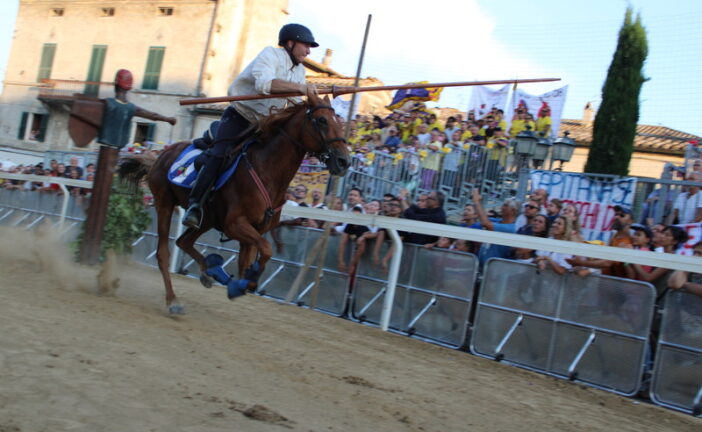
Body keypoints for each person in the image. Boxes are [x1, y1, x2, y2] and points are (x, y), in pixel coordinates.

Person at [182, 23, 321, 228]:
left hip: (266, 124)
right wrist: (302, 88)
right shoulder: (270, 55)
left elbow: (295, 105)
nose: (308, 51)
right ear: (290, 43)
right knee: (221, 153)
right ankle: (195, 205)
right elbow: (264, 84)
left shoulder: (299, 71)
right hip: (240, 116)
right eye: (306, 45)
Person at [471, 189, 519, 268]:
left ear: (513, 211)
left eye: (505, 205)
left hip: (494, 271)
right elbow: (483, 219)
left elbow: (485, 223)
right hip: (483, 266)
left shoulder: (510, 228)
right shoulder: (498, 221)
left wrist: (476, 201)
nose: (502, 207)